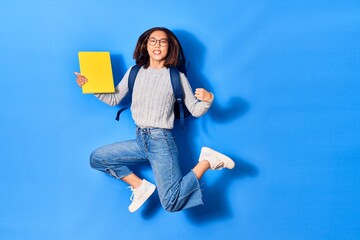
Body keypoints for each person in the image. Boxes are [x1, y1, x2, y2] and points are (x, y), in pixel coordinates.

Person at [75, 27, 235, 213]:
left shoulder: (176, 77)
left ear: (170, 47)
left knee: (171, 203)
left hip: (161, 142)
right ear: (145, 44)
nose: (157, 45)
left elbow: (195, 110)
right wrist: (91, 85)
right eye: (153, 40)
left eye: (163, 41)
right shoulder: (134, 72)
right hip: (141, 139)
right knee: (98, 158)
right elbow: (114, 99)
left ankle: (206, 162)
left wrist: (208, 100)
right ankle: (139, 186)